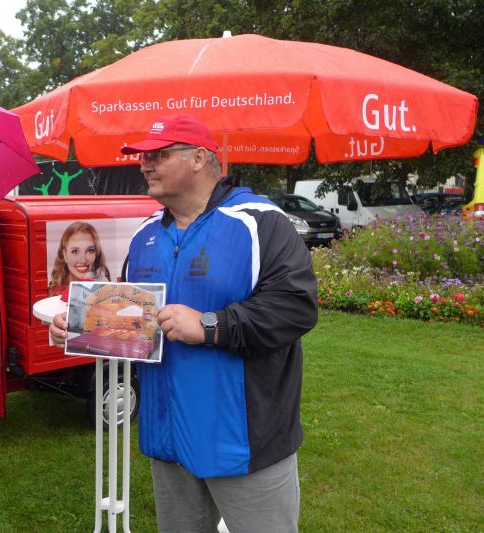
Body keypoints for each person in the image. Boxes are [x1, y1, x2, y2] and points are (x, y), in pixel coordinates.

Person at [50, 114, 318, 533]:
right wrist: (82, 327)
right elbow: (134, 321)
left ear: (198, 158)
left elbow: (295, 306)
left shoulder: (260, 222)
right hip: (168, 438)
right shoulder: (144, 235)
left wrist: (211, 325)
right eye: (142, 157)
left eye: (158, 155)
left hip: (244, 443)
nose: (144, 164)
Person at [48, 221, 111, 296]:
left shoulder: (102, 282)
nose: (83, 260)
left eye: (90, 250)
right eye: (75, 251)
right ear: (65, 255)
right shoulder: (57, 294)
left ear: (96, 253)